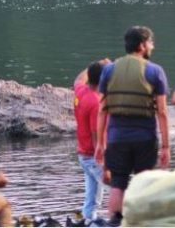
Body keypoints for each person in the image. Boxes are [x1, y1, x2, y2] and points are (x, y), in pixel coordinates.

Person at [96, 26, 170, 227]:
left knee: (118, 183)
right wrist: (166, 146)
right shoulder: (155, 71)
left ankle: (115, 222)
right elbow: (162, 112)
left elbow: (102, 110)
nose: (153, 46)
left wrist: (100, 144)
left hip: (117, 138)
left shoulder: (109, 70)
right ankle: (143, 222)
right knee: (144, 181)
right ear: (142, 45)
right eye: (151, 43)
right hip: (145, 138)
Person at [73, 59, 109, 226]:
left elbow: (78, 79)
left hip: (83, 154)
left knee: (93, 193)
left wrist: (94, 66)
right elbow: (97, 135)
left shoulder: (81, 91)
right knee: (117, 188)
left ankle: (89, 220)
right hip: (93, 155)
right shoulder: (95, 102)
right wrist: (103, 162)